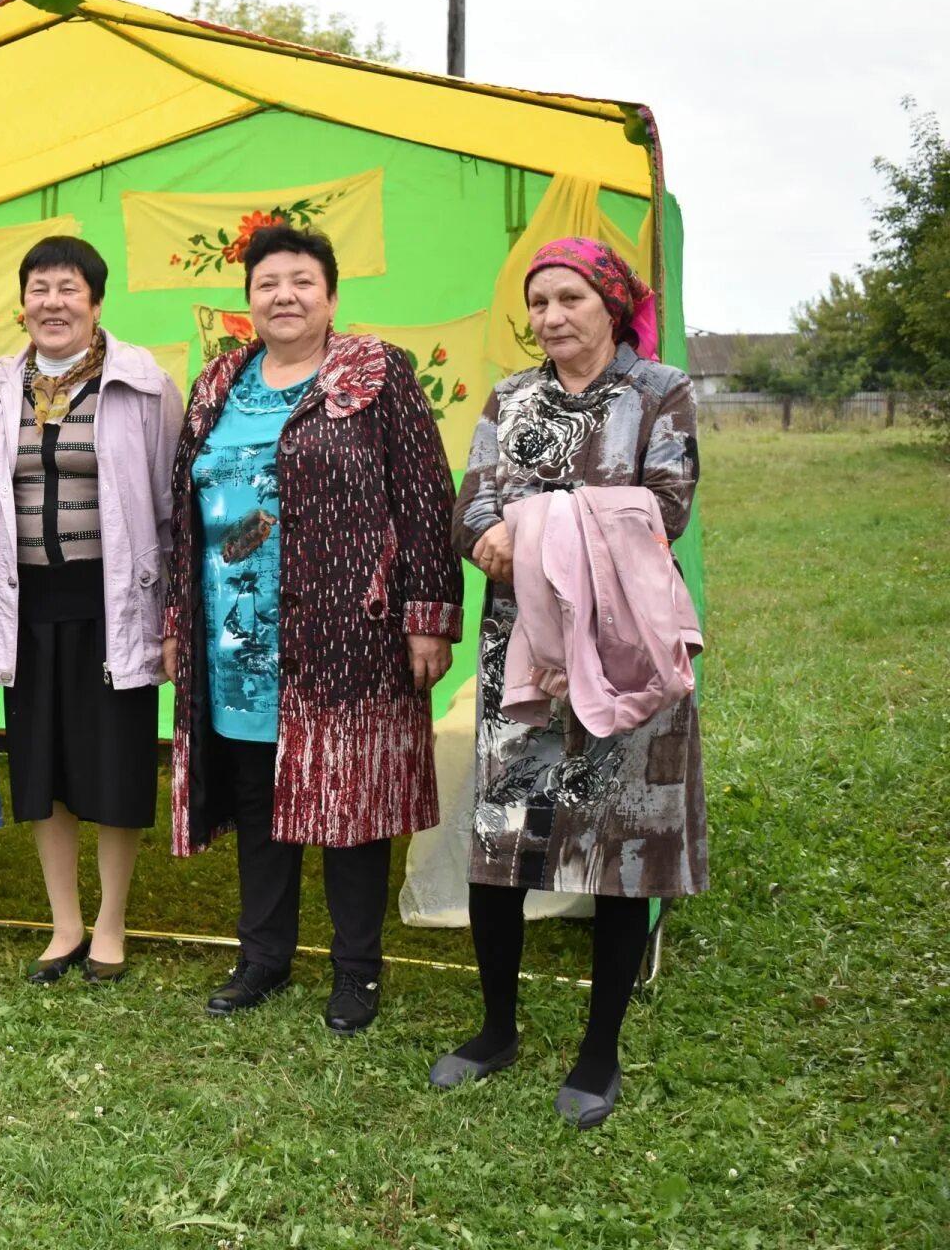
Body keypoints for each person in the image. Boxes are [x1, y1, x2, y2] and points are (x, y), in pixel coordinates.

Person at [432, 237, 704, 1129]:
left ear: (612, 305)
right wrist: (490, 535)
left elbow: (662, 508)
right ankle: (497, 1029)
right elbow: (473, 504)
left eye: (570, 300)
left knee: (620, 845)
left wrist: (533, 529)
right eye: (539, 303)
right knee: (503, 838)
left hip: (625, 646)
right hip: (524, 649)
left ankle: (599, 1051)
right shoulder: (512, 397)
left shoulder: (658, 392)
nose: (551, 318)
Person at [161, 225, 462, 1029]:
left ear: (331, 296)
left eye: (301, 281)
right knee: (262, 798)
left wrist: (426, 616)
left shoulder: (376, 373)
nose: (283, 296)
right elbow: (180, 509)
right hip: (239, 636)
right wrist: (174, 620)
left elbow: (428, 497)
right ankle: (263, 958)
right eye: (267, 283)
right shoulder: (221, 380)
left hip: (347, 633)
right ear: (248, 301)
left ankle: (356, 972)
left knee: (349, 802)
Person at [0, 236, 181, 984]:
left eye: (68, 289)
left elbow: (169, 505)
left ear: (96, 304)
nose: (52, 303)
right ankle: (63, 923)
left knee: (117, 767)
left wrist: (171, 617)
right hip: (26, 602)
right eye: (39, 288)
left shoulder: (144, 384)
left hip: (113, 603)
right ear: (22, 302)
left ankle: (110, 923)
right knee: (41, 766)